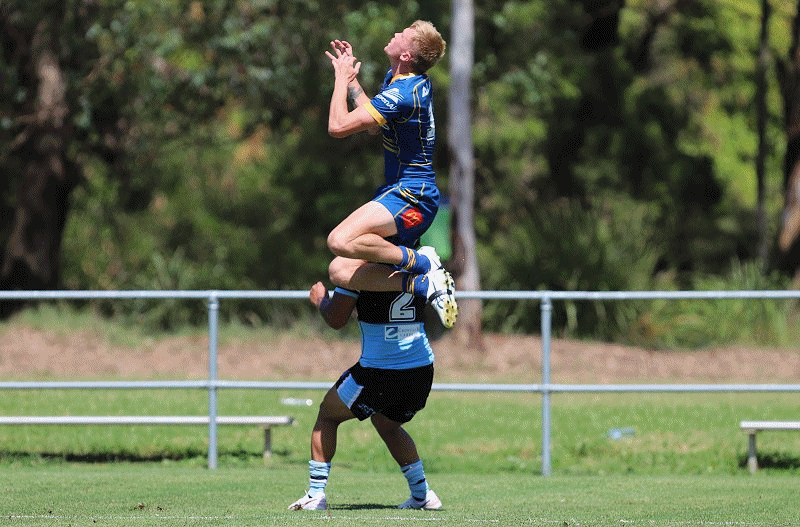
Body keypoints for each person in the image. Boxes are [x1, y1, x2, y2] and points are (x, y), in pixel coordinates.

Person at [323, 21, 457, 329]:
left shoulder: (402, 93)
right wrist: (355, 84)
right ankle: (420, 284)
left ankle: (423, 263)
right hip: (401, 192)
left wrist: (341, 79)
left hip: (413, 195)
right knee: (340, 270)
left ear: (407, 54)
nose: (395, 34)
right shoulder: (403, 81)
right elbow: (376, 121)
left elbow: (337, 126)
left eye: (402, 35)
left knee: (339, 239)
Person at [288, 280, 442, 511]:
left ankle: (315, 494)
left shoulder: (360, 271)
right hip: (421, 370)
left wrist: (321, 299)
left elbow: (336, 319)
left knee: (328, 415)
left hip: (379, 371)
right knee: (385, 422)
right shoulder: (420, 264)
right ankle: (422, 495)